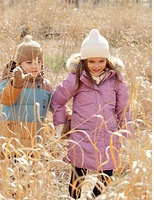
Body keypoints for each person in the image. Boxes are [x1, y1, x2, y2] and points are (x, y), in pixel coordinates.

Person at [51, 29, 133, 199]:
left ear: (107, 59)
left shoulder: (116, 79)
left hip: (107, 136)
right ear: (84, 60)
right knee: (77, 177)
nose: (97, 65)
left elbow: (123, 109)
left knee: (107, 174)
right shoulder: (75, 79)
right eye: (92, 61)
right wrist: (60, 125)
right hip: (82, 136)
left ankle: (93, 197)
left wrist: (127, 134)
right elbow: (58, 100)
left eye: (101, 61)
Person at [0, 35, 52, 151]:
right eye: (29, 62)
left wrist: (68, 116)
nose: (35, 65)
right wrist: (17, 84)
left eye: (39, 61)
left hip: (35, 143)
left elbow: (56, 104)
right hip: (12, 142)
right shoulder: (9, 80)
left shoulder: (45, 84)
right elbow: (5, 99)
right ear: (19, 64)